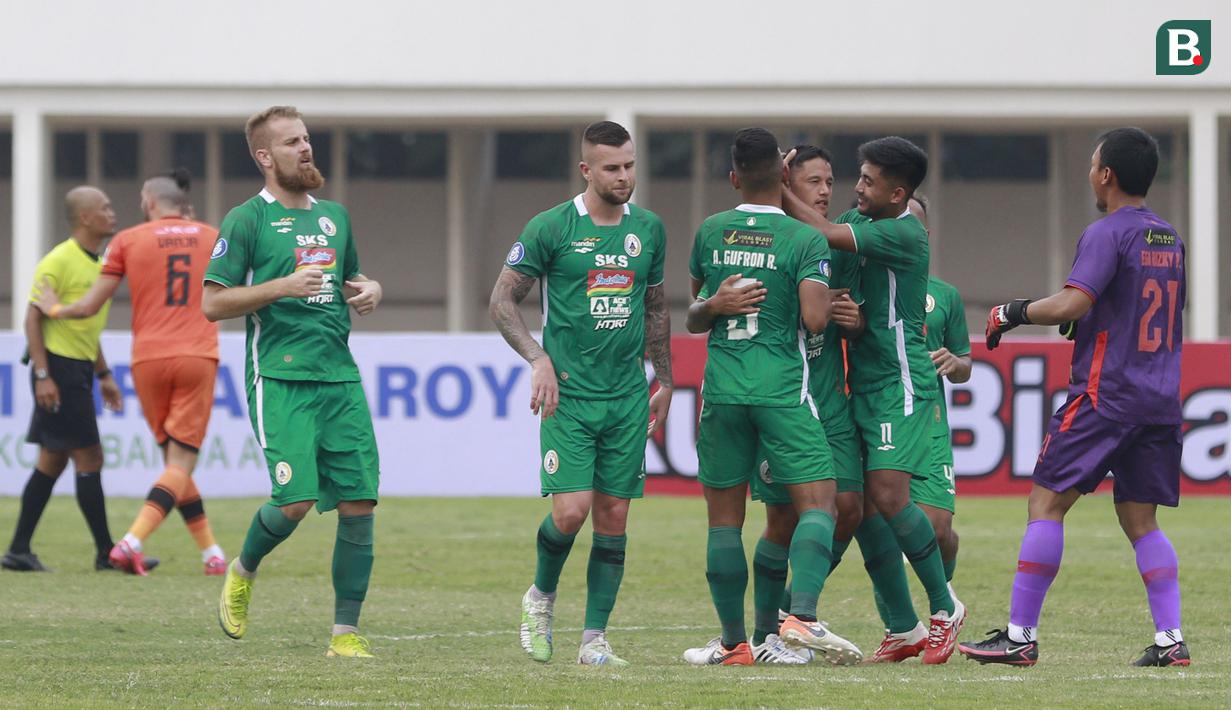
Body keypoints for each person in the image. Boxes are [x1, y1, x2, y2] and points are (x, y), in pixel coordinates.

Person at [962, 127, 1189, 667]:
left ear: (1106, 175)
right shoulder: (1169, 237)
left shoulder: (1107, 232)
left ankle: (1019, 639)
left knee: (1046, 503)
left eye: (1092, 166)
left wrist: (1011, 312)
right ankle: (1170, 641)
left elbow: (1070, 303)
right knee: (1142, 522)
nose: (1090, 173)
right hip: (1158, 398)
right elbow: (1145, 308)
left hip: (1104, 395)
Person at [490, 120, 672, 667]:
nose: (624, 177)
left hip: (626, 397)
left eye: (630, 166)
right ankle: (540, 597)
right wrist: (538, 357)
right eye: (612, 168)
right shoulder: (551, 228)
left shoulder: (649, 230)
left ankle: (594, 640)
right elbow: (502, 301)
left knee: (614, 517)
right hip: (568, 397)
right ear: (586, 170)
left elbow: (657, 307)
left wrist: (664, 378)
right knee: (572, 512)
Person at [204, 106, 384, 658]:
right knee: (295, 501)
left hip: (339, 378)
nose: (305, 149)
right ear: (265, 156)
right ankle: (243, 568)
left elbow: (349, 279)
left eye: (306, 139)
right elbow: (212, 303)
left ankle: (345, 635)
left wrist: (370, 288)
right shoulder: (246, 220)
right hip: (279, 378)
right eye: (291, 143)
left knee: (359, 502)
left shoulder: (334, 216)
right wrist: (280, 286)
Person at [682, 128, 861, 666]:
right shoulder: (805, 240)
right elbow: (811, 318)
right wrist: (833, 306)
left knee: (723, 521)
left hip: (722, 393)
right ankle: (800, 616)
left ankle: (736, 643)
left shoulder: (711, 231)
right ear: (784, 178)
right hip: (783, 390)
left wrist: (716, 305)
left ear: (733, 177)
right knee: (820, 502)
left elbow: (694, 315)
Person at [782, 137, 965, 664]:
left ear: (898, 192)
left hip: (899, 381)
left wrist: (774, 188)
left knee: (888, 496)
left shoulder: (906, 230)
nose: (855, 186)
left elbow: (819, 231)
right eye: (856, 176)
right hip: (857, 384)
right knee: (857, 508)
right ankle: (896, 627)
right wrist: (850, 315)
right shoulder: (858, 222)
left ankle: (943, 607)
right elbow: (840, 292)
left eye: (867, 180)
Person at [35, 173, 226, 576]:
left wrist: (55, 309)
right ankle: (131, 542)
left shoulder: (128, 240)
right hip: (196, 355)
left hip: (148, 360)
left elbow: (87, 307)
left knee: (173, 462)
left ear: (148, 200)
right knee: (181, 462)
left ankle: (212, 553)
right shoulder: (213, 236)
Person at [1, 186, 125, 573]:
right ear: (85, 218)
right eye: (104, 207)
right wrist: (42, 375)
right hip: (59, 370)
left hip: (79, 369)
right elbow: (33, 318)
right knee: (91, 456)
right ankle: (106, 554)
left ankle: (19, 550)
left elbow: (86, 328)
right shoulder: (57, 260)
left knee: (52, 462)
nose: (112, 211)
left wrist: (103, 373)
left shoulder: (98, 262)